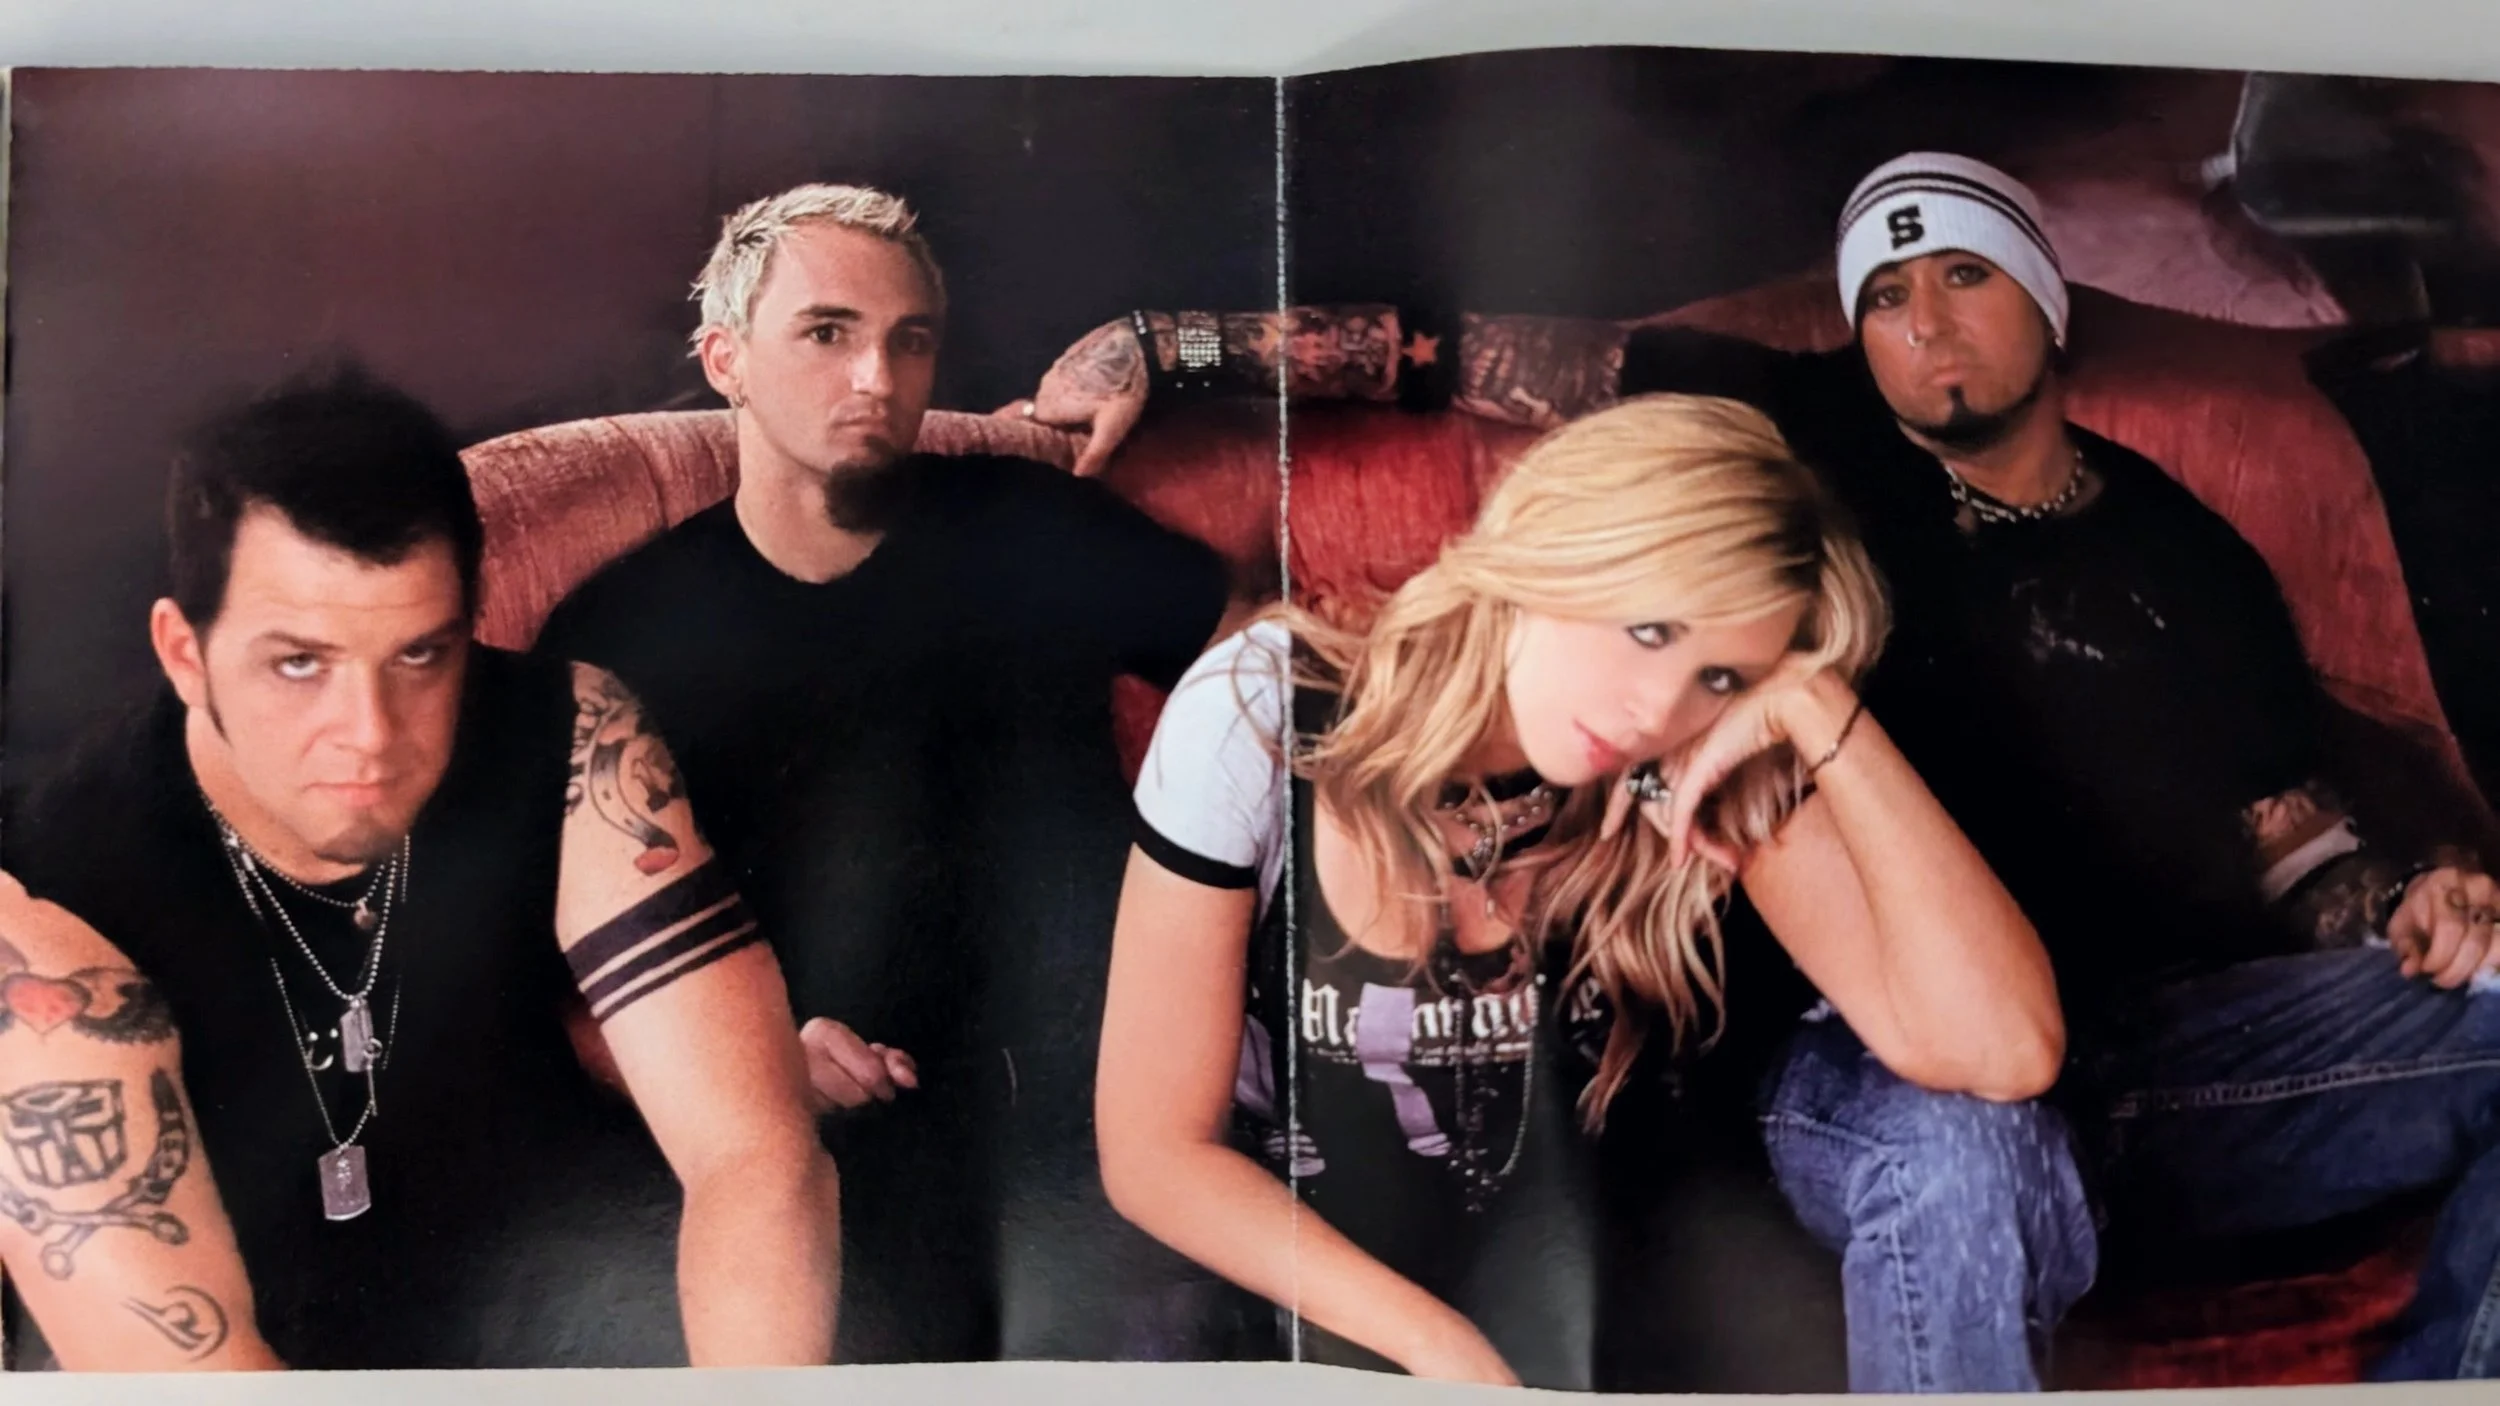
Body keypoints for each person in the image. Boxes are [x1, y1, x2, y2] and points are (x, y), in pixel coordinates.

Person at [1034, 152, 2500, 1389]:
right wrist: (1175, 344)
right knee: (1959, 1141)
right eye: (1886, 291)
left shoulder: (2174, 556)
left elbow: (2168, 921)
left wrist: (1811, 705)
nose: (1658, 703)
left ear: (2048, 303)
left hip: (2048, 1082)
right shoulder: (1754, 441)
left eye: (1967, 278)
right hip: (1647, 1159)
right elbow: (1445, 346)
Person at [1098, 394, 2063, 1389]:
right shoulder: (1264, 708)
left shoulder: (1696, 762)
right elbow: (1154, 1150)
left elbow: (2007, 1049)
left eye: (1722, 674)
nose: (1658, 706)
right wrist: (1435, 1345)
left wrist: (1823, 711)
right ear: (1558, 544)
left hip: (1595, 1302)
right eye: (1649, 628)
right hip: (1331, 1286)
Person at [0, 368, 841, 1370]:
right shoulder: (51, 904)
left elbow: (755, 1156)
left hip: (542, 1289)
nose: (370, 736)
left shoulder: (568, 735)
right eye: (299, 664)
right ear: (186, 654)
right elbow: (195, 1370)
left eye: (417, 656)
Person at [532, 183, 1235, 1362]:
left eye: (909, 341)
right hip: (830, 1137)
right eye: (826, 333)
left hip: (1102, 1105)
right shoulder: (621, 637)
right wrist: (747, 1072)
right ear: (725, 360)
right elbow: (547, 988)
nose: (877, 377)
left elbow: (1254, 666)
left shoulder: (1025, 523)